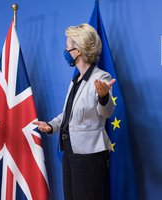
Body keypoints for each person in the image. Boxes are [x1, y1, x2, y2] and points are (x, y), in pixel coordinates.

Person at [33, 23, 116, 200]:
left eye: (67, 46)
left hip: (89, 155)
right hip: (70, 152)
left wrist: (103, 97)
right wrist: (50, 126)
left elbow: (107, 112)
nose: (65, 50)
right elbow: (68, 114)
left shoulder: (101, 78)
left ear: (78, 50)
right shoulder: (76, 80)